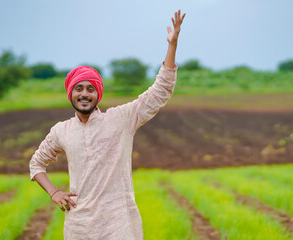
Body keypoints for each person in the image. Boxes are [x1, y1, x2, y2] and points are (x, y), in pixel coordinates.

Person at [29, 10, 186, 240]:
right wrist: (53, 192)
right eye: (79, 88)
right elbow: (36, 164)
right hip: (78, 227)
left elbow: (160, 91)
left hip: (118, 225)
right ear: (70, 93)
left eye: (90, 89)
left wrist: (172, 45)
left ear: (98, 94)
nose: (84, 94)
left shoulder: (120, 119)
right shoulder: (61, 131)